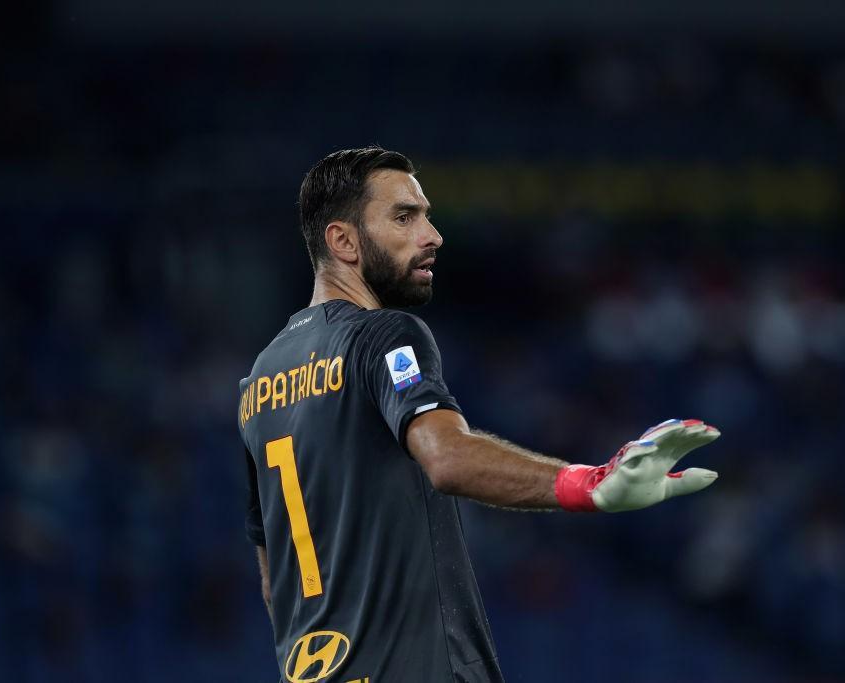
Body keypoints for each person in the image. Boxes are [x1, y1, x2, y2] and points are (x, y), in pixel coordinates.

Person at [237, 146, 720, 683]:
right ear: (343, 241)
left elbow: (272, 580)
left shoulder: (257, 383)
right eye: (404, 217)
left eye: (426, 215)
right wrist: (590, 484)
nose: (432, 235)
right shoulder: (382, 337)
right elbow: (446, 458)